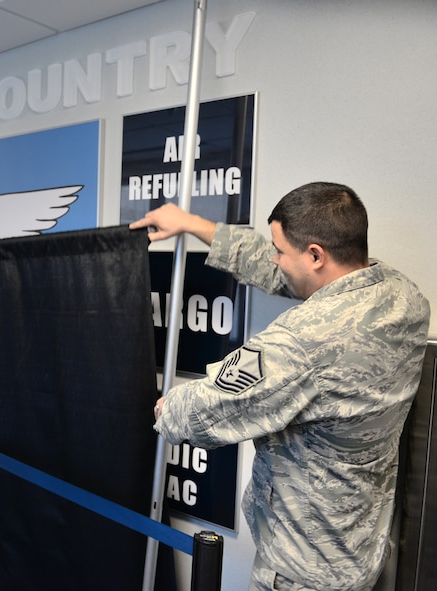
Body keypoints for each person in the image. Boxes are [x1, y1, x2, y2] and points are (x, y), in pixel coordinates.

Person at [130, 182, 430, 591]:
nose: (274, 259)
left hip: (300, 572)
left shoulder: (304, 343)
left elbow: (201, 412)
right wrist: (192, 224)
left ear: (315, 255)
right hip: (360, 549)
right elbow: (283, 273)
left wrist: (161, 405)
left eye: (280, 250)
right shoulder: (402, 295)